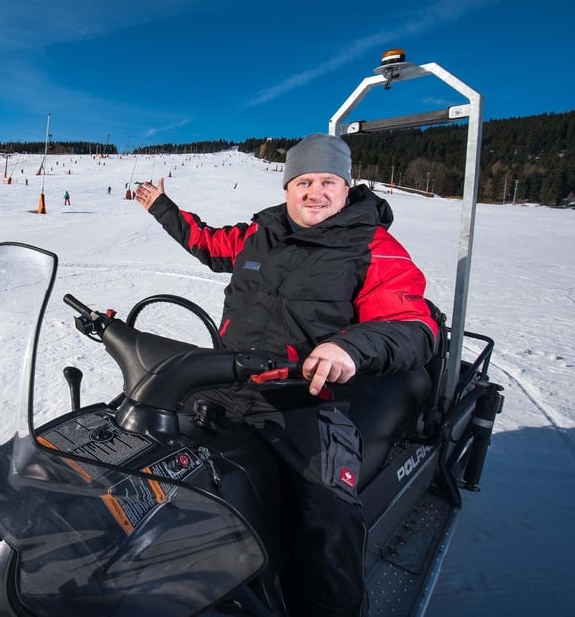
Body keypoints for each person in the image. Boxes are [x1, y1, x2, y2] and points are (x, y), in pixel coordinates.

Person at [134, 133, 437, 617]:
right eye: (304, 181)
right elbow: (208, 243)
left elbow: (413, 324)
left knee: (327, 517)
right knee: (143, 446)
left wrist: (349, 347)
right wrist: (162, 206)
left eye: (328, 182)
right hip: (229, 384)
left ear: (347, 186)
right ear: (287, 186)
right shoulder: (261, 232)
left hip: (306, 400)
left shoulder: (371, 243)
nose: (315, 192)